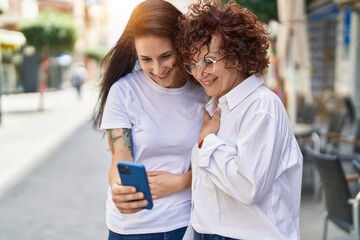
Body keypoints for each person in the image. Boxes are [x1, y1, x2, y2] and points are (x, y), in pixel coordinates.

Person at [177, 0, 303, 239]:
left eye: (209, 62)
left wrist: (207, 142)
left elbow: (249, 187)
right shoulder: (216, 105)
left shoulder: (261, 106)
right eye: (193, 64)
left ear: (236, 57)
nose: (199, 73)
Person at [92, 0, 207, 239]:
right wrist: (117, 187)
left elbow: (221, 162)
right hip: (131, 228)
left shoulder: (203, 90)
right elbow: (120, 157)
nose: (158, 68)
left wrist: (183, 182)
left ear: (181, 45)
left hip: (187, 222)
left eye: (166, 56)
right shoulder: (123, 92)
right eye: (146, 59)